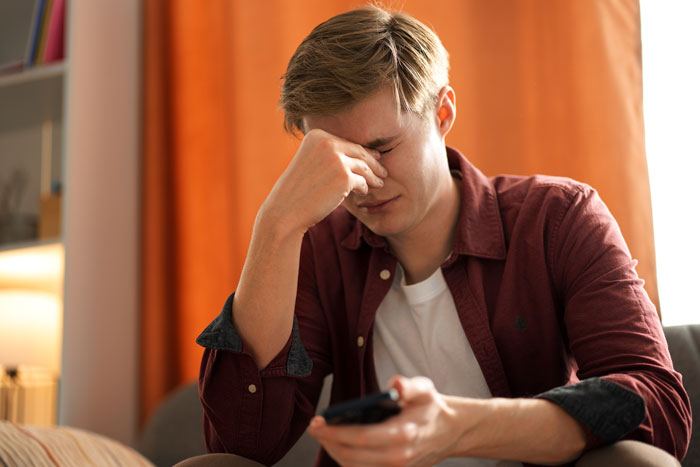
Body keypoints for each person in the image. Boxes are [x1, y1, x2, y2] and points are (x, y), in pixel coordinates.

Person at [195, 5, 690, 467]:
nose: (366, 181)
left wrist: (456, 427)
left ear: (443, 113)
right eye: (337, 160)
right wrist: (275, 224)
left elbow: (657, 405)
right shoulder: (317, 248)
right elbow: (242, 443)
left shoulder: (557, 219)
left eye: (382, 148)